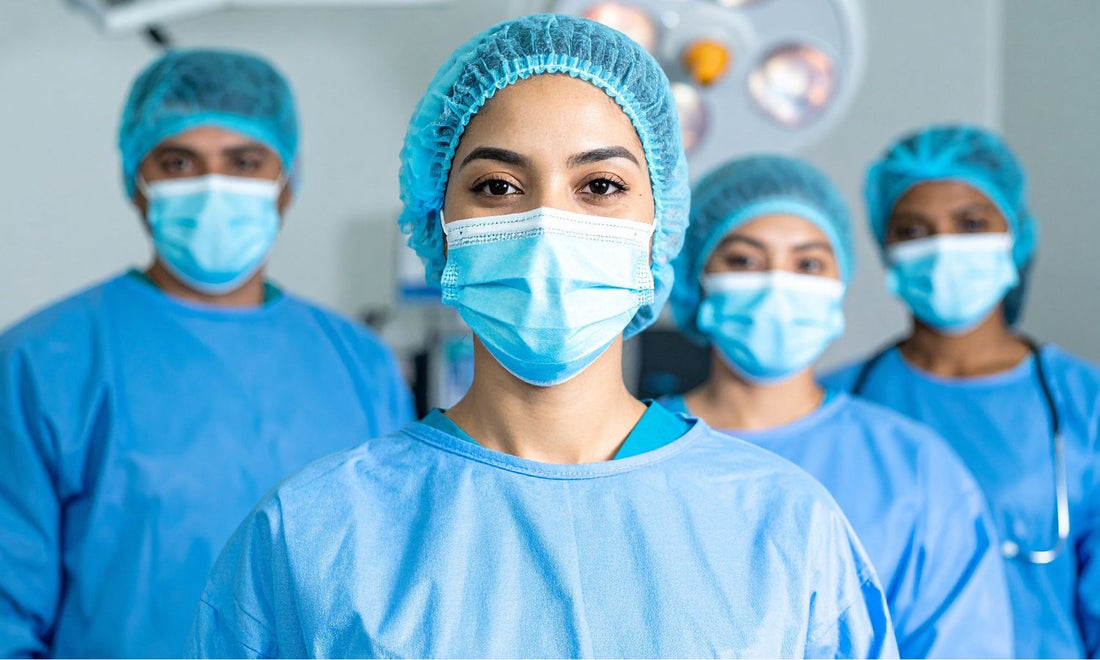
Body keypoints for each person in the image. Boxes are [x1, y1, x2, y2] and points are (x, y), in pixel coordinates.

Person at [186, 15, 898, 658]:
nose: (548, 225)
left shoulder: (785, 528)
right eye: (498, 187)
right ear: (440, 225)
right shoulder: (316, 534)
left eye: (601, 187)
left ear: (661, 226)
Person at [0, 49, 413, 658]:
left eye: (244, 162)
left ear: (286, 182)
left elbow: (392, 588)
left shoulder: (362, 365)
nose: (213, 186)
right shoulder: (42, 360)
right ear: (136, 186)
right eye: (178, 162)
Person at [663, 154, 1014, 658]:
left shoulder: (915, 468)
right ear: (696, 278)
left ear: (839, 283)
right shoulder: (628, 449)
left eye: (808, 264)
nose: (777, 286)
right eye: (743, 260)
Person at [822, 124, 1100, 658]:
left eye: (971, 223)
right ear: (886, 250)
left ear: (1014, 234)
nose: (944, 246)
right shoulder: (836, 405)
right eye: (913, 230)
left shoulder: (1083, 405)